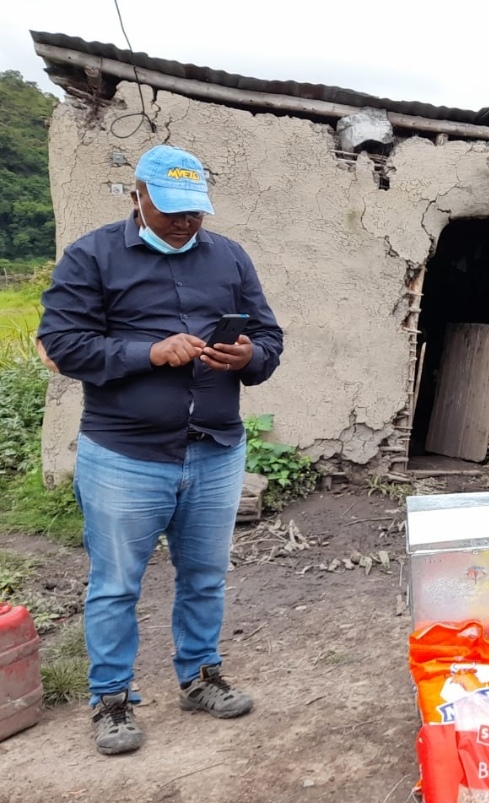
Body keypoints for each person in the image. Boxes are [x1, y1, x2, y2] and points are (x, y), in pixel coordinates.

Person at [37, 144, 285, 755]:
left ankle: (199, 677)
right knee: (116, 585)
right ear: (138, 195)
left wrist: (248, 355)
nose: (185, 222)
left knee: (204, 577)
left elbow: (269, 337)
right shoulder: (93, 256)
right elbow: (61, 343)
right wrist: (147, 352)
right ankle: (111, 701)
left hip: (215, 450)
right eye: (171, 209)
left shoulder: (229, 256)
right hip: (125, 456)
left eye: (194, 210)